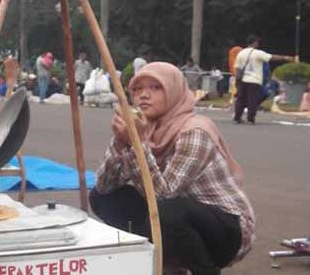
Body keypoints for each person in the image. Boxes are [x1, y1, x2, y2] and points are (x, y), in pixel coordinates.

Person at [89, 62, 255, 275]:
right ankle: (159, 257)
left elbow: (163, 194)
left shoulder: (195, 131)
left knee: (167, 211)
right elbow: (104, 185)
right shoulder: (145, 126)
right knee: (103, 197)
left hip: (226, 228)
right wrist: (121, 143)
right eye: (138, 89)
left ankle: (203, 270)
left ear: (174, 90)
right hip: (176, 215)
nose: (144, 95)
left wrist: (137, 144)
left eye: (155, 88)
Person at [233, 35, 293, 124]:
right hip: (254, 80)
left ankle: (237, 117)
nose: (258, 44)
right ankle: (250, 118)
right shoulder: (257, 53)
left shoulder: (241, 53)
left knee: (240, 99)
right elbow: (272, 57)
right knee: (252, 100)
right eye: (257, 42)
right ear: (254, 43)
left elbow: (237, 68)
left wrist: (237, 80)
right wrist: (285, 58)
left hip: (242, 80)